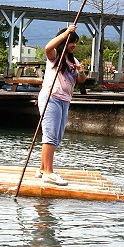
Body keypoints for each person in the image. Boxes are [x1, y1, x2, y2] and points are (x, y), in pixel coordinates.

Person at [35, 25, 86, 186]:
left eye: (75, 43)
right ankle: (49, 173)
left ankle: (43, 168)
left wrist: (82, 71)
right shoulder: (55, 56)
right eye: (72, 42)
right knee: (50, 134)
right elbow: (48, 47)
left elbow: (81, 80)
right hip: (51, 97)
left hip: (65, 100)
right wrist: (66, 33)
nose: (74, 45)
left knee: (57, 136)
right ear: (65, 41)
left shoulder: (73, 60)